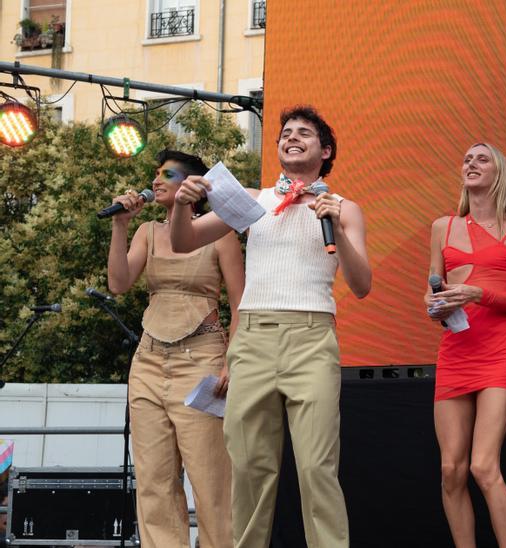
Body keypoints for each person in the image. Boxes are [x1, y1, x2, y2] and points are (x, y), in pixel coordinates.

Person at [170, 105, 372, 548]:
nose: (291, 137)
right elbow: (183, 241)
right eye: (284, 133)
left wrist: (335, 220)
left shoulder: (344, 209)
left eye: (303, 132)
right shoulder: (255, 201)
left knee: (317, 466)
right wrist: (182, 206)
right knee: (249, 468)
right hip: (256, 338)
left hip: (312, 338)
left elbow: (361, 286)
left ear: (326, 149)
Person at [105, 149, 241, 548]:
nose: (157, 180)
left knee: (211, 480)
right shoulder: (148, 230)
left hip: (201, 358)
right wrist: (120, 226)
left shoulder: (220, 231)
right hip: (148, 359)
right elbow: (118, 284)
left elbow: (239, 301)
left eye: (169, 173)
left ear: (193, 186)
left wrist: (232, 358)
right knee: (154, 483)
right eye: (155, 173)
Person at [425, 142, 506, 548]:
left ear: (500, 173)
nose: (471, 163)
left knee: (483, 467)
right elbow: (433, 289)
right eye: (467, 158)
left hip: (498, 351)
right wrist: (435, 304)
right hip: (455, 350)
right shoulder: (442, 226)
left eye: (482, 158)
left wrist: (476, 294)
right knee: (450, 469)